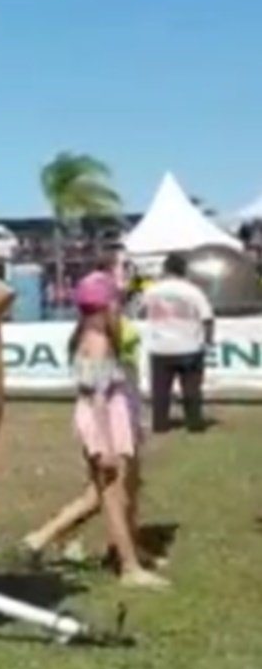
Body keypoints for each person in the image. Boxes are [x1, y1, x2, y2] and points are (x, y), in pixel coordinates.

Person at [21, 273, 168, 589]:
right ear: (107, 306)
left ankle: (124, 554)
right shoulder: (99, 340)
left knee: (109, 494)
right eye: (115, 303)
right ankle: (128, 568)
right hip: (104, 419)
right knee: (113, 497)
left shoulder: (87, 334)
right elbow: (97, 396)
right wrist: (106, 444)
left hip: (106, 414)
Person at [140, 252, 214, 433]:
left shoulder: (152, 290)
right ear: (184, 270)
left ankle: (160, 424)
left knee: (160, 390)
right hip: (189, 346)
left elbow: (142, 312)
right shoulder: (192, 291)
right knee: (191, 389)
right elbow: (207, 317)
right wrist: (208, 340)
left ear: (165, 269)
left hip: (160, 346)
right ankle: (195, 423)